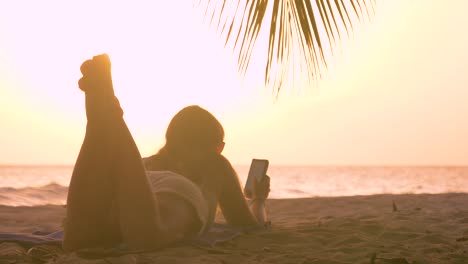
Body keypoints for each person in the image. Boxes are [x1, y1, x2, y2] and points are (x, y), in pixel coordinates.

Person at [62, 54, 270, 252]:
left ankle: (99, 123)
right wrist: (258, 200)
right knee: (149, 235)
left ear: (170, 140)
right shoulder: (215, 164)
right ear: (218, 148)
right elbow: (247, 225)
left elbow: (129, 181)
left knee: (79, 239)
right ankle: (113, 117)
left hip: (129, 183)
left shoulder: (142, 165)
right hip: (179, 191)